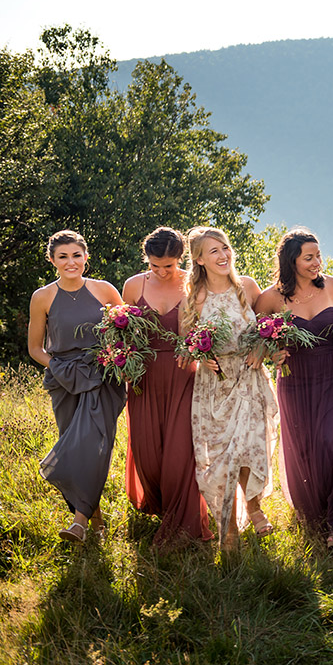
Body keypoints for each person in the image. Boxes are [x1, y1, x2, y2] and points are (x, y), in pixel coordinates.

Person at [255, 229, 333, 549]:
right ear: (292, 261)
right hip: (295, 380)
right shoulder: (271, 298)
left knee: (332, 442)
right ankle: (312, 515)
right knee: (303, 448)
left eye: (318, 256)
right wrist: (271, 353)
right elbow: (256, 338)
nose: (317, 263)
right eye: (308, 257)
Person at [181, 227, 278, 550]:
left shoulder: (247, 287)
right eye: (214, 251)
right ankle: (229, 526)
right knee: (222, 455)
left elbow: (268, 329)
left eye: (225, 248)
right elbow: (186, 345)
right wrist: (201, 355)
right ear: (199, 259)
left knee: (248, 448)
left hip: (248, 377)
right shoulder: (194, 297)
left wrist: (261, 350)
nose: (223, 256)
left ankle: (254, 508)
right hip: (214, 384)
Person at [29, 230, 127, 542]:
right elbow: (35, 349)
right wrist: (59, 367)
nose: (70, 262)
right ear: (52, 260)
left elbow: (127, 330)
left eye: (76, 255)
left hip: (102, 378)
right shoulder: (42, 297)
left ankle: (79, 521)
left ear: (86, 256)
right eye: (62, 257)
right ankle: (94, 521)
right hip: (64, 382)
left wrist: (115, 359)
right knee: (76, 449)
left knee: (94, 446)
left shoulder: (105, 290)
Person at [122, 227, 212, 548]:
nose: (161, 272)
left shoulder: (192, 285)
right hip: (143, 377)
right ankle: (162, 506)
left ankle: (184, 520)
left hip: (182, 374)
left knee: (179, 452)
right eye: (155, 265)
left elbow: (200, 332)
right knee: (148, 452)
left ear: (181, 259)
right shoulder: (134, 285)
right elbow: (125, 333)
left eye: (169, 266)